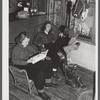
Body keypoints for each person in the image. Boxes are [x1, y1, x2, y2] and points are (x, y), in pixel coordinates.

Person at [11, 31, 58, 100]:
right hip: (22, 66)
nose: (27, 43)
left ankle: (47, 82)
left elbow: (34, 51)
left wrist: (41, 54)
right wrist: (26, 62)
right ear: (21, 40)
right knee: (40, 72)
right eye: (26, 42)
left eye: (28, 42)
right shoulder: (16, 49)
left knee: (48, 62)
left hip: (29, 62)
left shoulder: (26, 46)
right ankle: (41, 92)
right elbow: (14, 61)